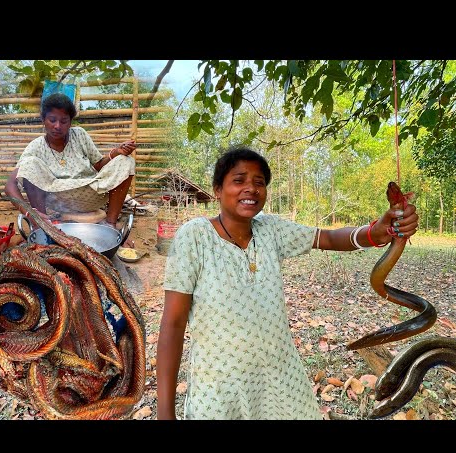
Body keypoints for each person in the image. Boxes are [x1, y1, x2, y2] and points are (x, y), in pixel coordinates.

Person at [156, 146, 419, 420]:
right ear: (217, 190)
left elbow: (326, 238)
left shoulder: (270, 230)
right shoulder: (194, 237)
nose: (251, 188)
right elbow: (172, 324)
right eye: (239, 180)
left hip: (279, 377)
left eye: (259, 182)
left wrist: (376, 232)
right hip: (220, 387)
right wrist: (165, 412)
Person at [4, 92, 136, 229]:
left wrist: (115, 153)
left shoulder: (79, 135)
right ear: (43, 120)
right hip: (57, 200)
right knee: (29, 164)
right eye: (52, 120)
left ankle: (110, 224)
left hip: (91, 196)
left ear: (70, 122)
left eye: (64, 121)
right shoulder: (35, 147)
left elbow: (98, 165)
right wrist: (29, 213)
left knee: (125, 161)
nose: (57, 126)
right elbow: (10, 186)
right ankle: (42, 226)